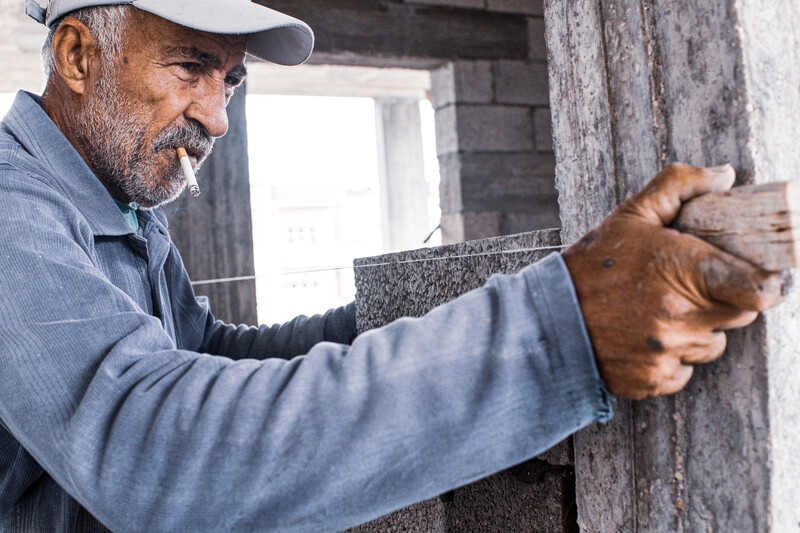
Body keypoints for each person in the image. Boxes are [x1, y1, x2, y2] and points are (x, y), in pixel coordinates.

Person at [0, 1, 784, 531]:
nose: (216, 115)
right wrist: (556, 333)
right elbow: (151, 447)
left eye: (230, 80)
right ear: (76, 54)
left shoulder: (126, 209)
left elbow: (206, 355)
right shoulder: (12, 211)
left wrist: (433, 304)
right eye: (189, 67)